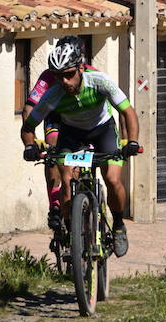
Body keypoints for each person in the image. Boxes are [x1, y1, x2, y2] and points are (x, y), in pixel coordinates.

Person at [20, 41, 140, 257]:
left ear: (81, 68)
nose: (64, 81)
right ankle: (71, 232)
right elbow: (28, 125)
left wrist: (131, 141)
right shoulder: (52, 94)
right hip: (72, 134)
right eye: (58, 77)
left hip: (103, 130)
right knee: (66, 179)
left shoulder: (100, 81)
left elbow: (128, 112)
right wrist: (30, 145)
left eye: (69, 74)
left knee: (112, 179)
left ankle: (120, 225)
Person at [21, 36, 97, 231]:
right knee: (53, 152)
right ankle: (55, 205)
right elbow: (30, 107)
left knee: (81, 160)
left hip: (83, 120)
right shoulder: (48, 76)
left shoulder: (92, 74)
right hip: (57, 117)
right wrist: (31, 142)